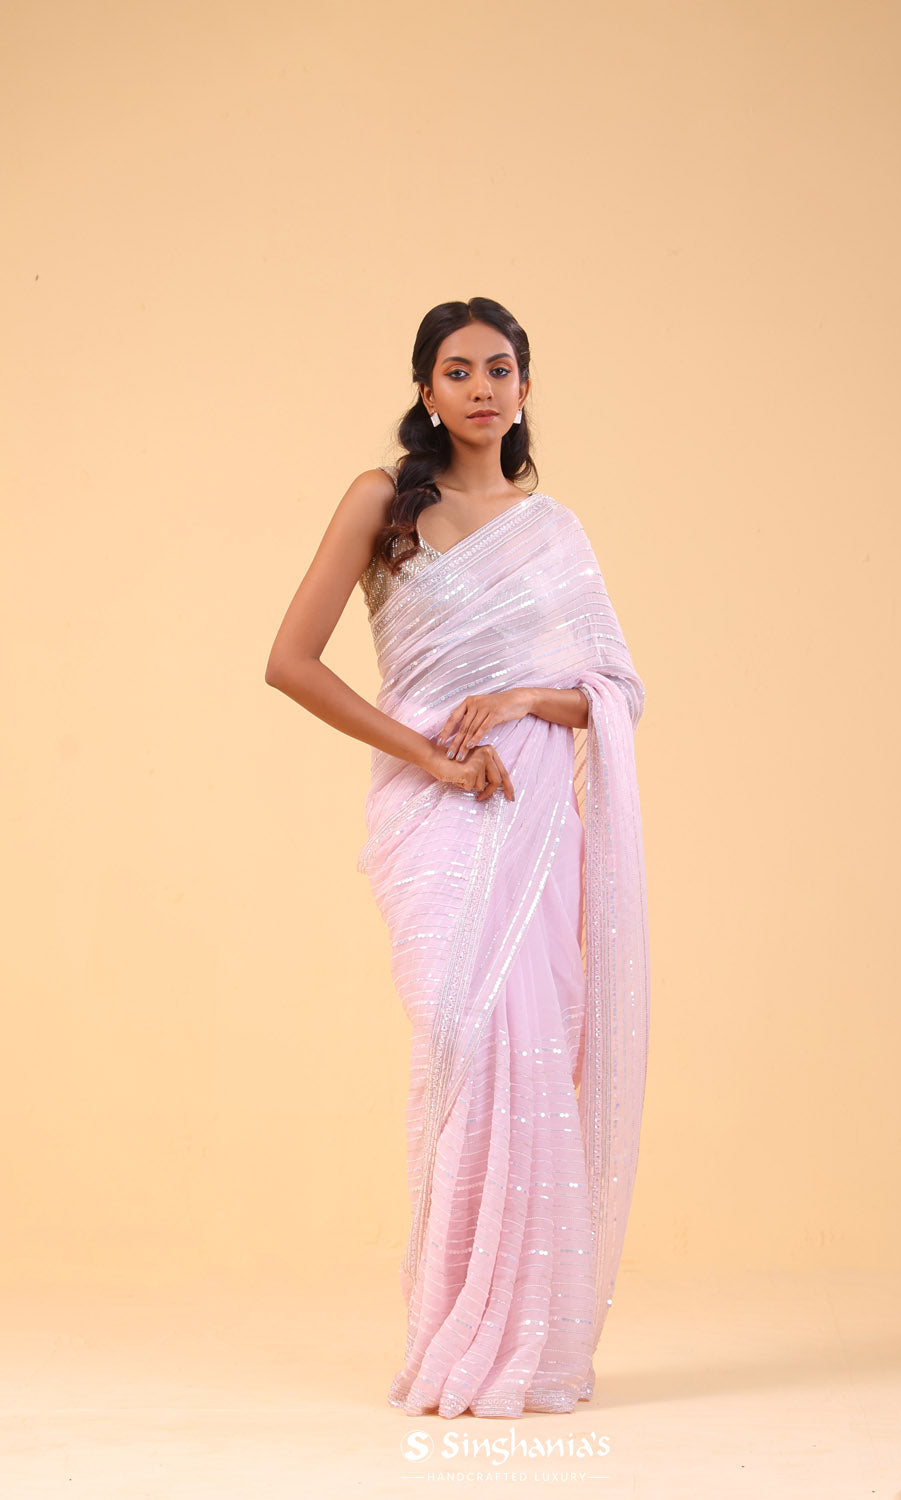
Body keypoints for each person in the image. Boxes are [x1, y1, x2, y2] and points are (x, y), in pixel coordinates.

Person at [265, 297, 650, 1419]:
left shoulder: (555, 532)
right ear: (426, 392)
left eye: (500, 369)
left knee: (529, 1044)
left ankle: (528, 1343)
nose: (482, 388)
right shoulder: (381, 502)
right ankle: (455, 1326)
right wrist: (429, 756)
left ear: (525, 388)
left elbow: (617, 692)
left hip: (530, 813)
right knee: (459, 1034)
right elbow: (291, 662)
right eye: (458, 370)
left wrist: (523, 697)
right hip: (430, 811)